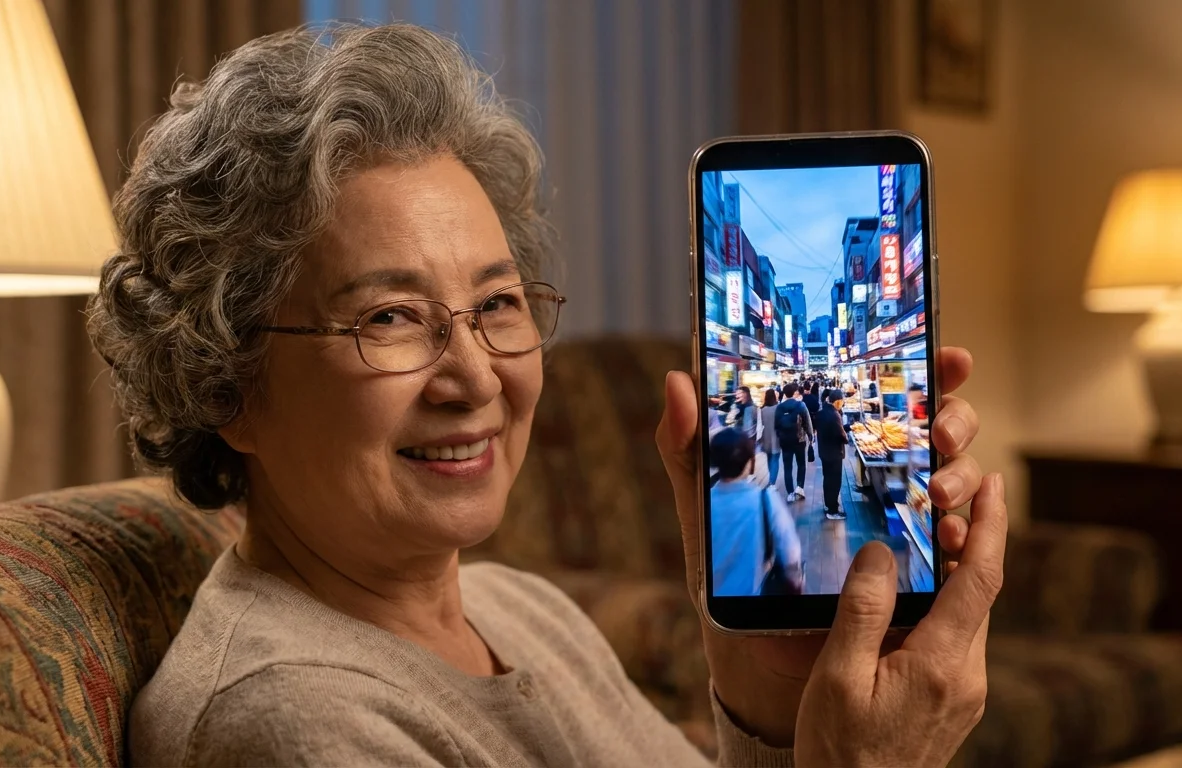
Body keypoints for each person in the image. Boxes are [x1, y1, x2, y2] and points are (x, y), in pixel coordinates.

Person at [97, 22, 1003, 767]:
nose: (477, 376)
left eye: (497, 303)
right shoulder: (295, 726)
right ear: (225, 383)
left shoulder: (523, 611)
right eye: (390, 318)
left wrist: (768, 700)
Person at [707, 428, 803, 596]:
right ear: (750, 462)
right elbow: (791, 553)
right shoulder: (766, 500)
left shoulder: (705, 504)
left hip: (710, 602)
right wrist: (796, 581)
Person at [774, 382, 813, 502]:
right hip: (799, 440)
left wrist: (780, 436)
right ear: (795, 392)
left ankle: (790, 493)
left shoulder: (779, 407)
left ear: (784, 393)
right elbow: (807, 423)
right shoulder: (801, 405)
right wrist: (811, 437)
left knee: (787, 467)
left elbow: (776, 426)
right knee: (801, 464)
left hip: (785, 441)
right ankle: (799, 488)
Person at [816, 390, 847, 521]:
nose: (843, 403)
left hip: (824, 451)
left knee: (827, 479)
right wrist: (846, 437)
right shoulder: (834, 415)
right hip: (834, 453)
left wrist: (848, 427)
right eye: (842, 401)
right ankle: (833, 511)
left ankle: (829, 505)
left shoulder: (822, 412)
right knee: (835, 482)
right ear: (837, 401)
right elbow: (841, 436)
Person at [758, 388, 783, 488]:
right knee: (775, 459)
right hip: (776, 436)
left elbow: (761, 424)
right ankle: (772, 482)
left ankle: (771, 479)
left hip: (766, 436)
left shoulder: (762, 410)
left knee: (769, 458)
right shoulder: (778, 408)